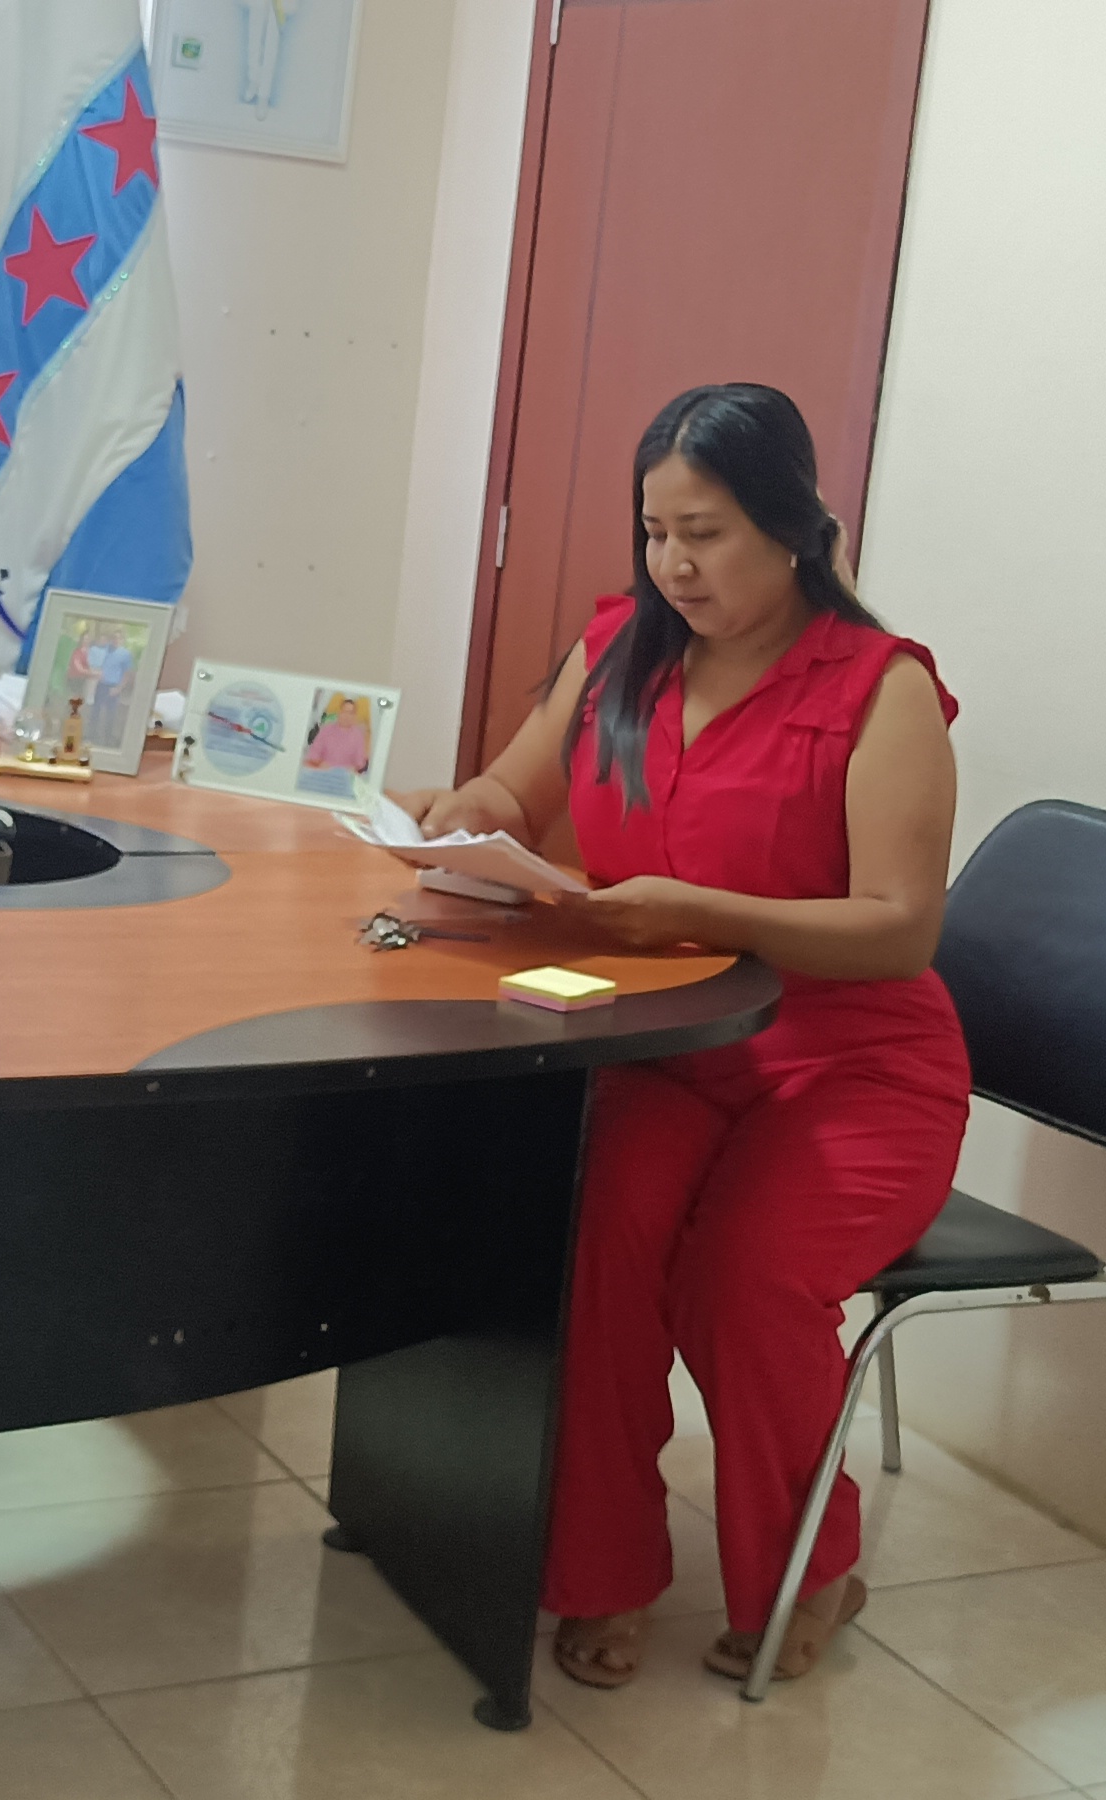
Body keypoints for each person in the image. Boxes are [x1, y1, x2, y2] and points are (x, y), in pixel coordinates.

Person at [390, 382, 967, 1688]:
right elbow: (510, 790)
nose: (673, 565)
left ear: (792, 526)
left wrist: (702, 913)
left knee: (745, 1277)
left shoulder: (881, 690)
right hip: (664, 1047)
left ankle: (813, 1566)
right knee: (593, 1240)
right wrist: (455, 813)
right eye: (655, 532)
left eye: (704, 533)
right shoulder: (617, 652)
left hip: (852, 1068)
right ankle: (599, 1567)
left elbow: (901, 930)